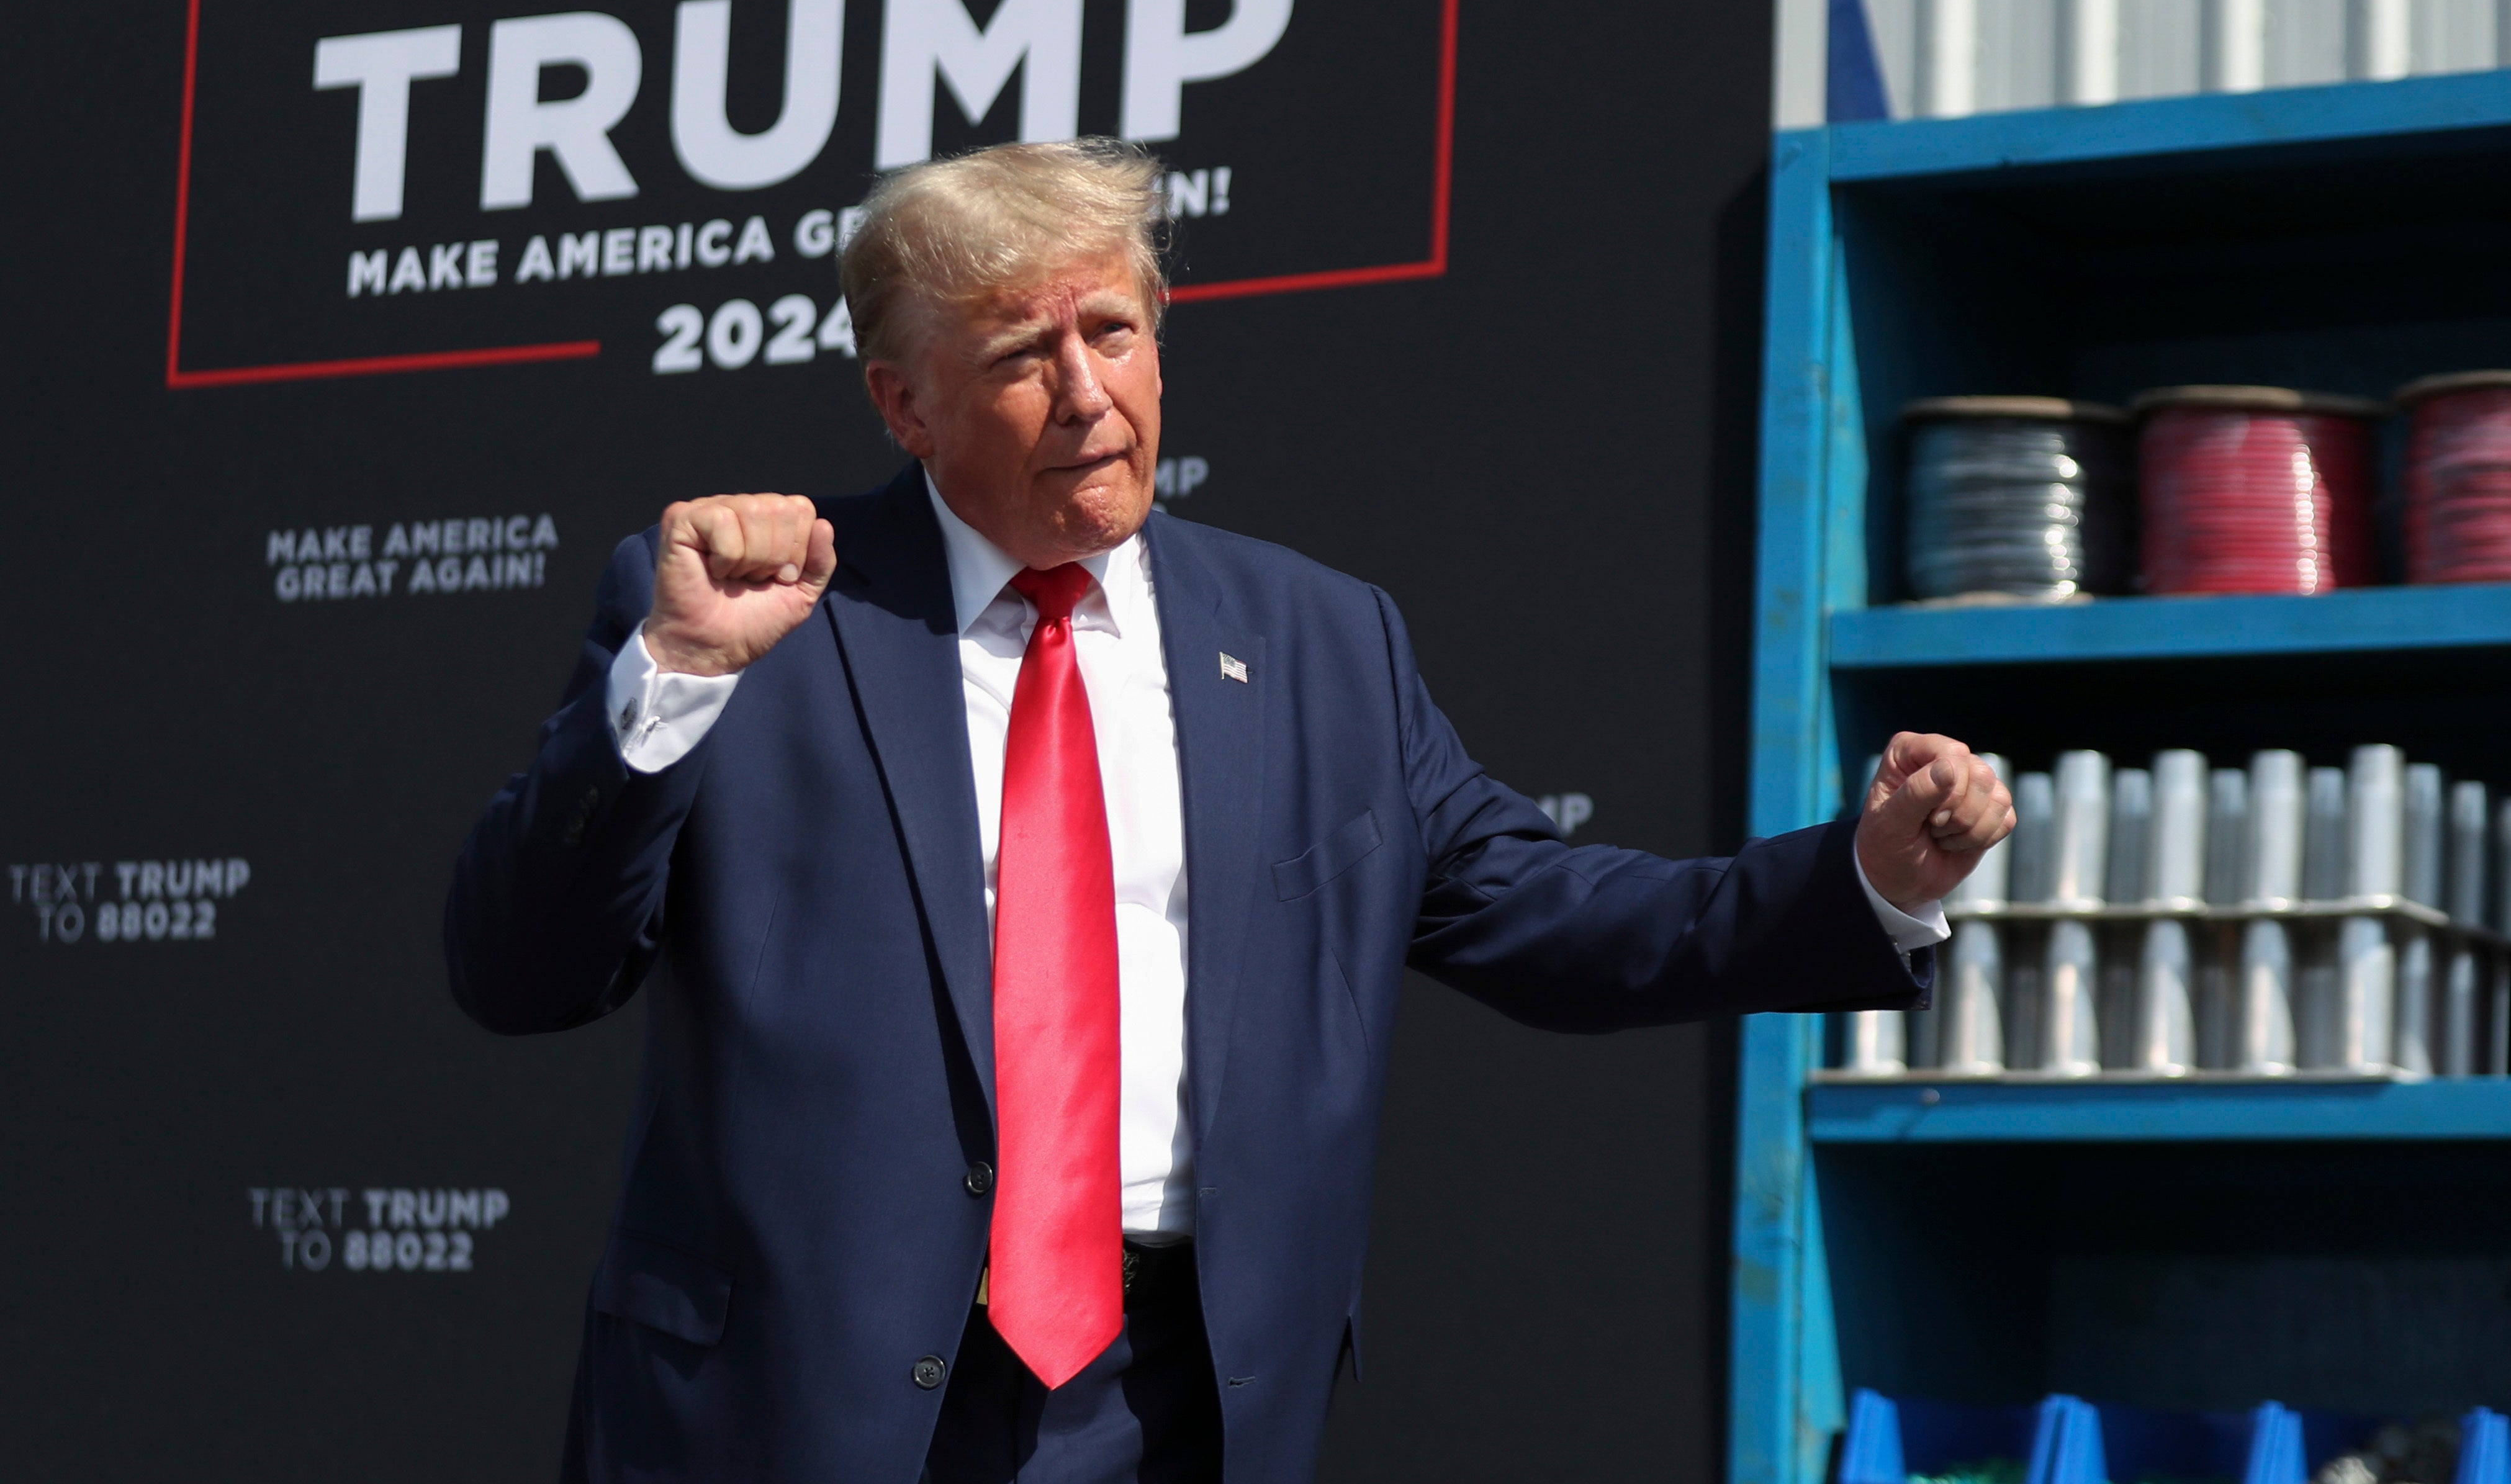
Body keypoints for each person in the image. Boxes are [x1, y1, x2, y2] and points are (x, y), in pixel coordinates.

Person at [445, 138, 2013, 1484]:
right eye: (1016, 356)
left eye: (1113, 332)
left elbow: (1549, 915)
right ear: (903, 403)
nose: (1083, 393)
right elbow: (520, 969)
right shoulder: (756, 618)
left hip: (1177, 1402)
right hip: (793, 1404)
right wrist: (676, 677)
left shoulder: (1326, 638)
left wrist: (1864, 878)